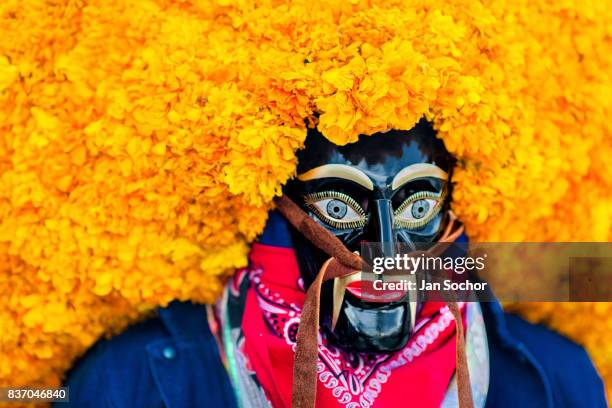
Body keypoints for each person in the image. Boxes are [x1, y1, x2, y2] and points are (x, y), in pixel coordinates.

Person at [59, 120, 606, 407]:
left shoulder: (556, 377)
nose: (384, 252)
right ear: (272, 207)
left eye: (419, 205)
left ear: (455, 209)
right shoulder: (126, 380)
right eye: (339, 206)